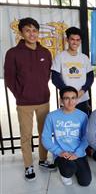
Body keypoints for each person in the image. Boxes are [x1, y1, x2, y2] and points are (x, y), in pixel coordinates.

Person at [4, 17, 56, 181]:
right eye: (27, 30)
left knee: (44, 133)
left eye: (34, 30)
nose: (31, 34)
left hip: (43, 100)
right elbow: (9, 78)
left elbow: (47, 74)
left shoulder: (45, 52)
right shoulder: (13, 53)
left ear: (38, 32)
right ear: (21, 32)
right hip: (24, 103)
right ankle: (28, 165)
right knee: (26, 134)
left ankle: (42, 160)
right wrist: (21, 94)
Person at [42, 86, 91, 186]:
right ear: (61, 100)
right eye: (66, 98)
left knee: (85, 182)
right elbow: (45, 138)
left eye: (73, 98)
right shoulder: (52, 116)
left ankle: (74, 166)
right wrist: (58, 151)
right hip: (61, 153)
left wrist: (77, 153)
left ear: (77, 100)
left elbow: (86, 137)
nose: (70, 101)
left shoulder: (82, 116)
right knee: (68, 170)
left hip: (78, 152)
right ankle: (65, 173)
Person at [51, 27, 94, 116]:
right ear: (67, 40)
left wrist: (83, 90)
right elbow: (55, 78)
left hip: (82, 98)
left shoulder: (84, 58)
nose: (75, 42)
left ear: (80, 41)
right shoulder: (60, 57)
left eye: (78, 40)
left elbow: (90, 77)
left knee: (83, 125)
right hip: (67, 100)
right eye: (72, 39)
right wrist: (68, 93)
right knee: (68, 126)